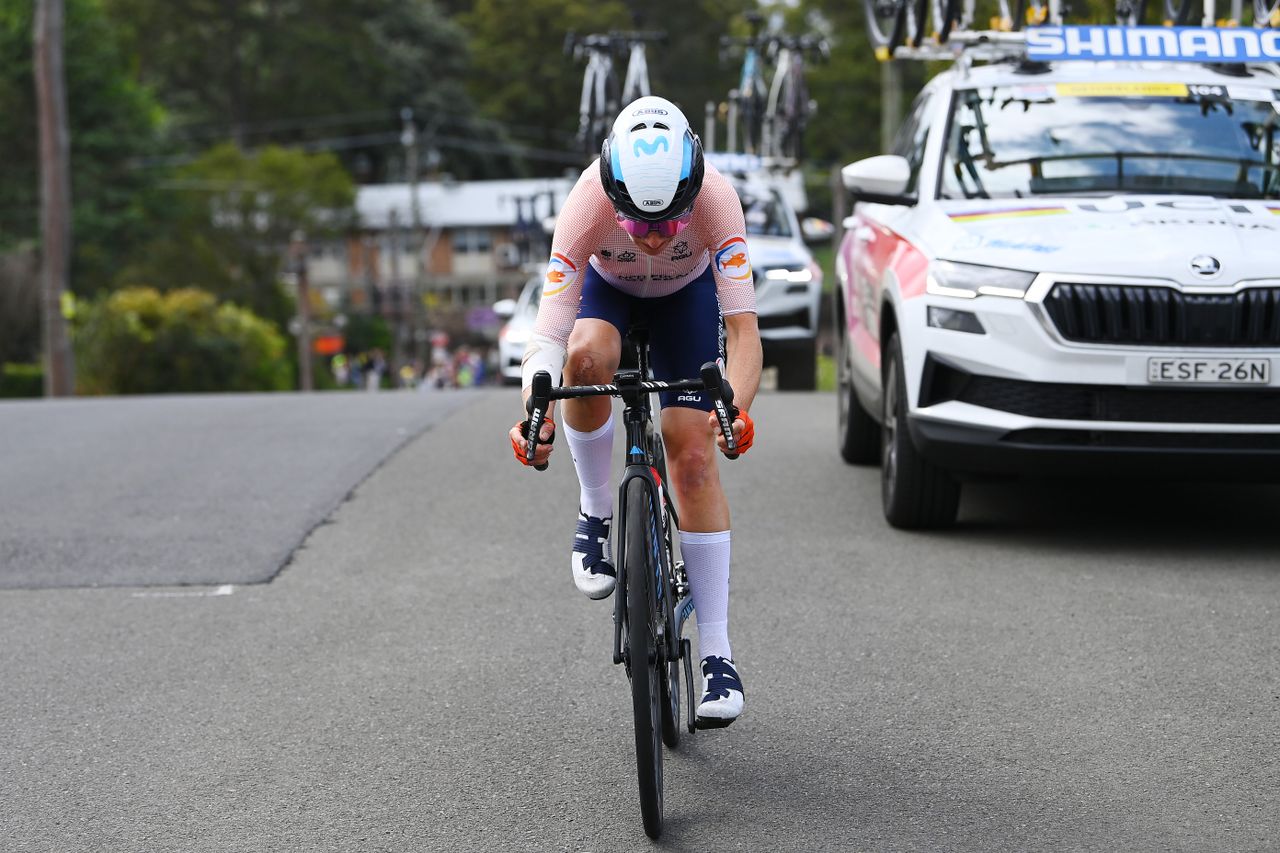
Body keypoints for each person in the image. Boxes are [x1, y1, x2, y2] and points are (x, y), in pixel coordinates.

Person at [508, 96, 761, 728]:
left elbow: (745, 332)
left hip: (686, 301)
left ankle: (717, 656)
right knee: (587, 359)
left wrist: (737, 408)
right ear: (613, 192)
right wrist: (534, 413)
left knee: (694, 456)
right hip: (608, 294)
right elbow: (549, 333)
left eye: (670, 224)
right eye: (638, 223)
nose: (651, 237)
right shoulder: (588, 201)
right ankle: (595, 513)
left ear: (692, 190)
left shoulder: (718, 200)